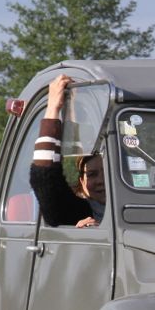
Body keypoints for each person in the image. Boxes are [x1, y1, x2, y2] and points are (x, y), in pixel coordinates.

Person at [29, 74, 105, 228]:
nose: (101, 180)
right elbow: (45, 178)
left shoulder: (145, 206)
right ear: (82, 182)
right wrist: (53, 108)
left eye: (108, 173)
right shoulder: (75, 211)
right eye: (92, 174)